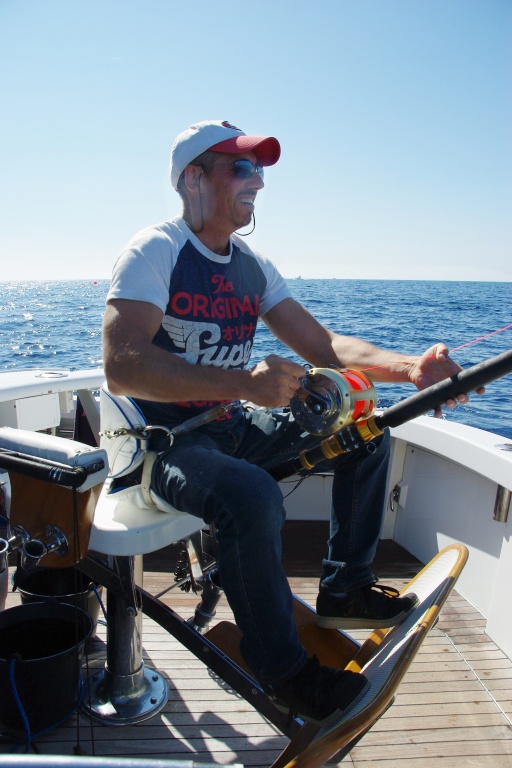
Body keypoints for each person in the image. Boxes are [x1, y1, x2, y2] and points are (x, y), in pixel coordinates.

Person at [102, 119, 474, 727]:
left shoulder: (251, 264)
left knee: (363, 430)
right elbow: (123, 367)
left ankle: (344, 589)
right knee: (249, 495)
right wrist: (241, 384)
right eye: (240, 168)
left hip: (230, 426)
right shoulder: (156, 250)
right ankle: (283, 674)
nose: (257, 183)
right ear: (192, 179)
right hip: (163, 445)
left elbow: (323, 343)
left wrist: (410, 368)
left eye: (260, 171)